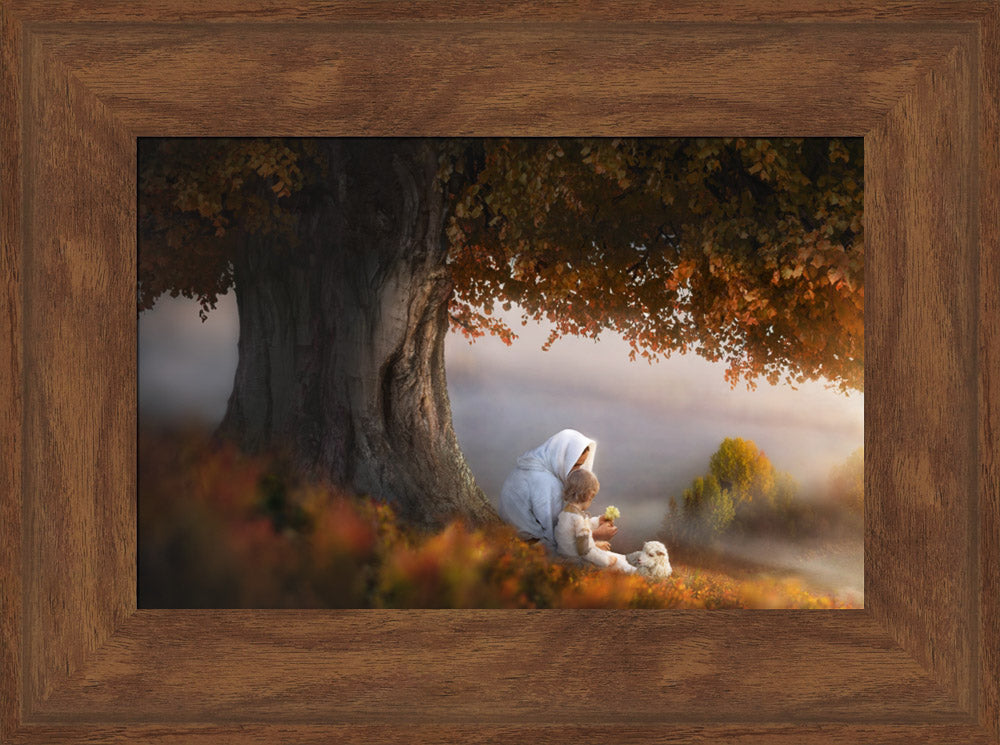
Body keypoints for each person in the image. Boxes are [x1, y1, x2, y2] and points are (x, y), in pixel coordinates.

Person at [498, 429, 617, 552]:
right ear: (562, 457)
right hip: (529, 548)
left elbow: (565, 523)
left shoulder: (528, 468)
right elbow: (559, 538)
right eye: (575, 465)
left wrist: (596, 522)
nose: (577, 471)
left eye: (581, 465)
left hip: (513, 538)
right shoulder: (549, 483)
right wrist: (596, 535)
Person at [555, 469, 634, 572]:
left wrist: (597, 521)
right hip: (577, 563)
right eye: (593, 497)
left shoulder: (566, 514)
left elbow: (578, 530)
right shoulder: (578, 519)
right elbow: (585, 551)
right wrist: (606, 561)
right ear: (589, 495)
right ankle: (643, 575)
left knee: (618, 558)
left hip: (568, 558)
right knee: (618, 562)